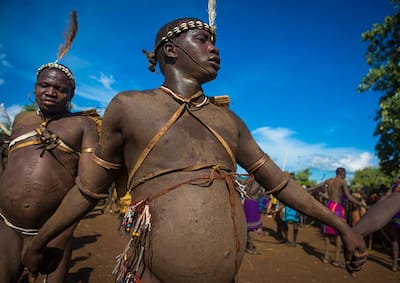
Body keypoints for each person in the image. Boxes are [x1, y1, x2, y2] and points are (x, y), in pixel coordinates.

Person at [23, 17, 367, 282]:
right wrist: (44, 238)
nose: (214, 49)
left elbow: (281, 183)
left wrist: (343, 226)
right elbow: (88, 189)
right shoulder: (130, 106)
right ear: (170, 49)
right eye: (202, 40)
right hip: (150, 274)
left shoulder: (229, 121)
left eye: (214, 42)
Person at [0, 11, 99, 282]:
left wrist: (58, 235)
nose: (51, 92)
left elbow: (88, 187)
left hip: (54, 232)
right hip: (7, 226)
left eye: (60, 89)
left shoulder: (82, 125)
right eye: (44, 85)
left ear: (71, 95)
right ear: (34, 88)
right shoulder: (22, 119)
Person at [315, 167, 368, 268]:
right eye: (345, 173)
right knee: (339, 234)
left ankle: (326, 257)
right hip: (337, 208)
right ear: (342, 173)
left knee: (327, 234)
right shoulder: (342, 181)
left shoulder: (329, 180)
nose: (345, 175)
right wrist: (363, 205)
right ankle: (336, 260)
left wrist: (303, 190)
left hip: (328, 207)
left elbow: (315, 187)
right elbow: (348, 196)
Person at [354, 178, 400, 271]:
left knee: (396, 240)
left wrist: (376, 206)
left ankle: (395, 264)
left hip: (396, 216)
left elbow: (386, 196)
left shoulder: (397, 183)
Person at [243, 179, 263, 254]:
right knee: (251, 228)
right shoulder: (257, 181)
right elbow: (252, 192)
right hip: (252, 203)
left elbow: (247, 189)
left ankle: (246, 246)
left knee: (248, 227)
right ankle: (250, 248)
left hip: (248, 202)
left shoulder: (249, 180)